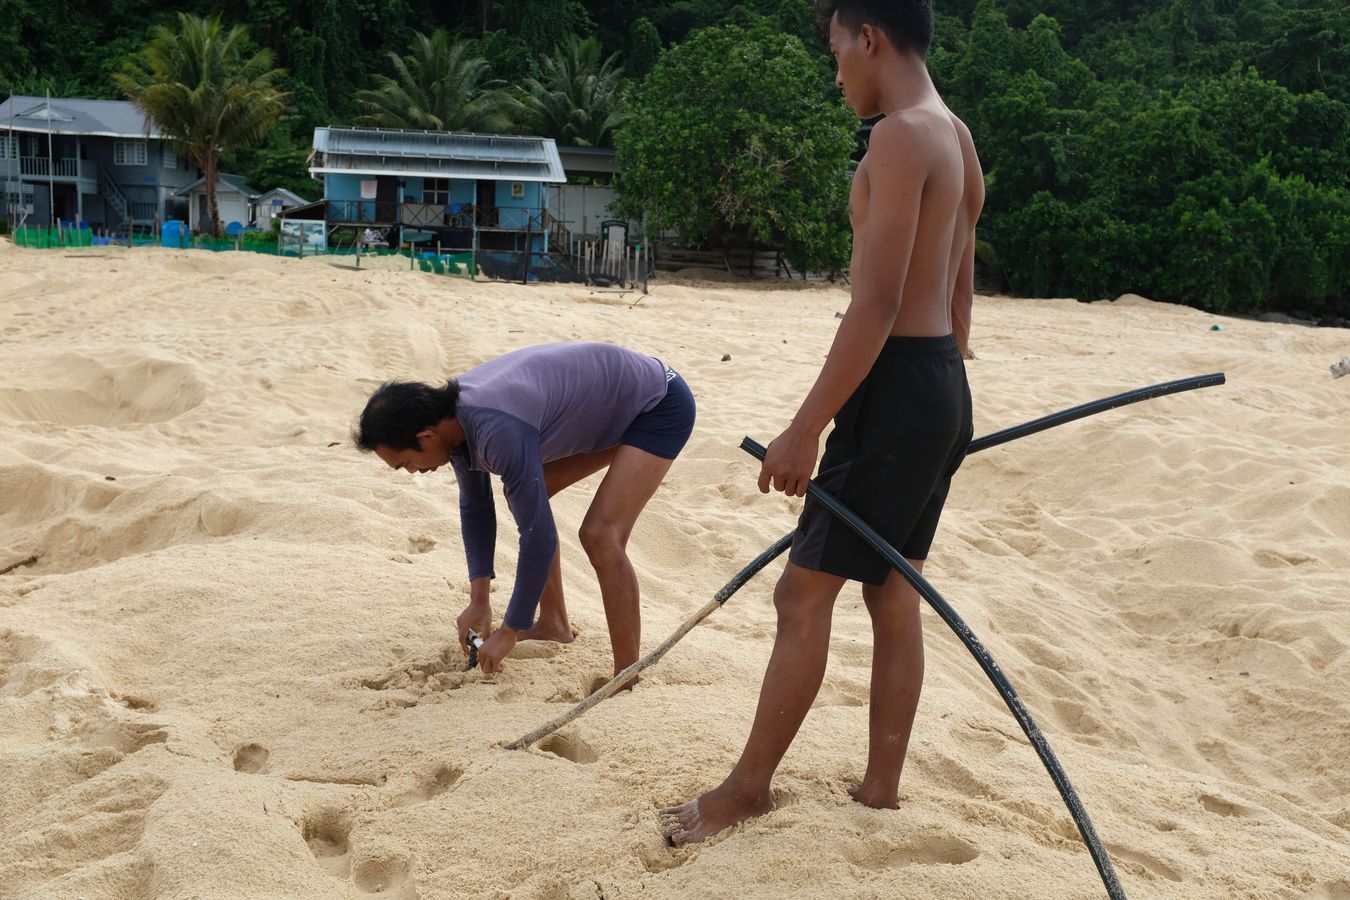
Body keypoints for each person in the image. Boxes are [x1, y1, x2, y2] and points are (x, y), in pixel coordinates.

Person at [659, 0, 983, 844]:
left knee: (802, 593)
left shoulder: (900, 136)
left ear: (870, 37)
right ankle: (879, 787)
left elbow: (875, 304)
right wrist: (942, 386)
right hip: (941, 385)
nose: (835, 70)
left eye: (837, 50)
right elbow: (958, 283)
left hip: (897, 387)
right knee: (894, 591)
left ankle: (745, 793)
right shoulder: (955, 134)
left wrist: (808, 427)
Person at [353, 342, 696, 683]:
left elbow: (539, 538)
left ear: (425, 437)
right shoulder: (451, 424)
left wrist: (511, 629)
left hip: (657, 404)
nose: (412, 471)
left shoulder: (495, 427)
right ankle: (554, 624)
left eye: (405, 463)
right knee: (527, 493)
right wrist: (479, 599)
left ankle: (627, 676)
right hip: (609, 405)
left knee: (600, 535)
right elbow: (476, 508)